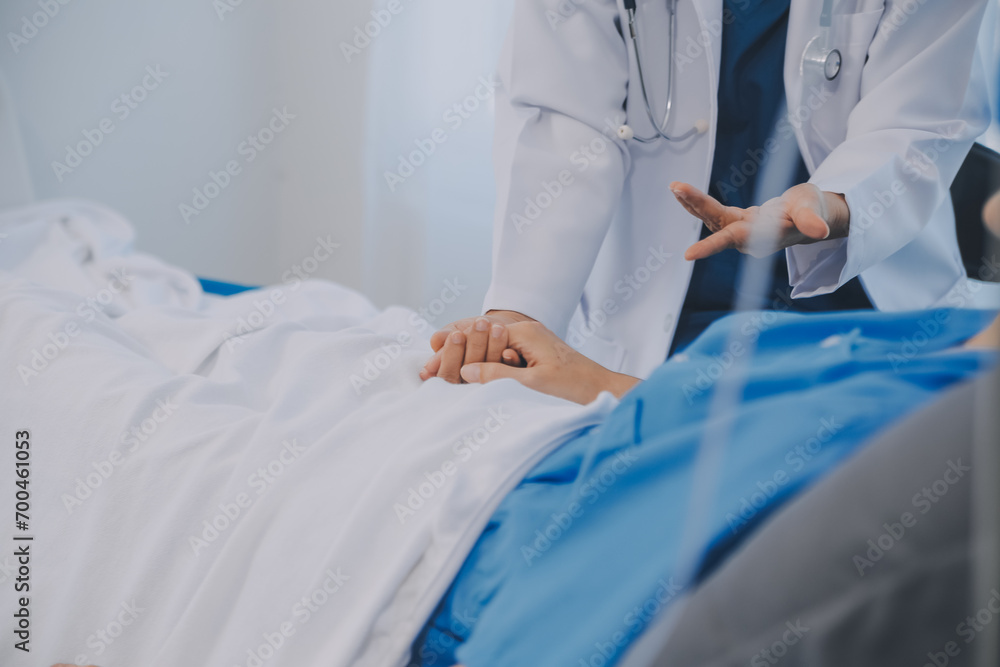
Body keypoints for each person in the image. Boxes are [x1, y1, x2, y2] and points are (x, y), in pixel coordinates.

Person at [421, 0, 992, 383]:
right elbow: (563, 123)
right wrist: (522, 312)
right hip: (665, 329)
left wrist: (837, 200)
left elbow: (921, 119)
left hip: (870, 319)